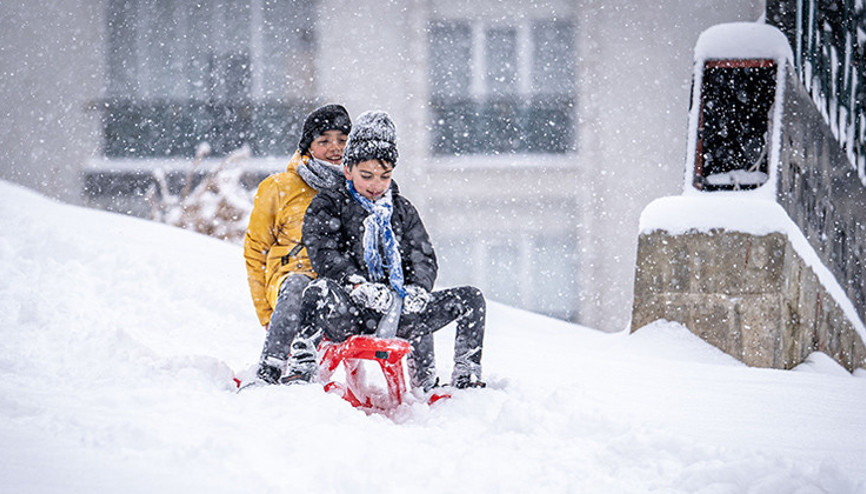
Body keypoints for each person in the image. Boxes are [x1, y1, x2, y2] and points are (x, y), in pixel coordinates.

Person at [285, 110, 486, 390]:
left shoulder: (402, 210)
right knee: (315, 292)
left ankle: (467, 375)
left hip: (400, 311)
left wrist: (417, 289)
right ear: (347, 170)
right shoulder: (328, 205)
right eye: (366, 176)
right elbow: (324, 253)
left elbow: (423, 257)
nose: (375, 185)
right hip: (350, 312)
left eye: (384, 176)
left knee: (470, 298)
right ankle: (301, 368)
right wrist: (357, 285)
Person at [243, 104, 351, 384]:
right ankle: (271, 368)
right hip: (289, 285)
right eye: (324, 141)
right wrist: (267, 315)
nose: (335, 148)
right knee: (299, 284)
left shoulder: (359, 186)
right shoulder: (279, 187)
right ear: (307, 147)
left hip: (335, 288)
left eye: (342, 140)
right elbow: (256, 251)